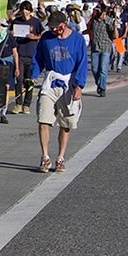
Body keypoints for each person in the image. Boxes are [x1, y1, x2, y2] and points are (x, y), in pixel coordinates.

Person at [32, 13, 87, 172]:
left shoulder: (77, 39)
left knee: (66, 123)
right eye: (51, 27)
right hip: (50, 83)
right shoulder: (46, 38)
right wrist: (34, 75)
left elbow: (82, 64)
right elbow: (38, 58)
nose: (54, 29)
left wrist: (79, 86)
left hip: (68, 84)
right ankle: (45, 157)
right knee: (43, 120)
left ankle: (61, 157)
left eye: (56, 26)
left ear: (64, 24)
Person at [87, 4, 118, 97]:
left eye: (99, 11)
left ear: (104, 12)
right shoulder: (93, 20)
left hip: (105, 47)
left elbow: (115, 36)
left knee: (103, 70)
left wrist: (115, 27)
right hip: (95, 47)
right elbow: (90, 30)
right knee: (95, 69)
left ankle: (102, 87)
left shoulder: (108, 21)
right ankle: (99, 83)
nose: (98, 13)